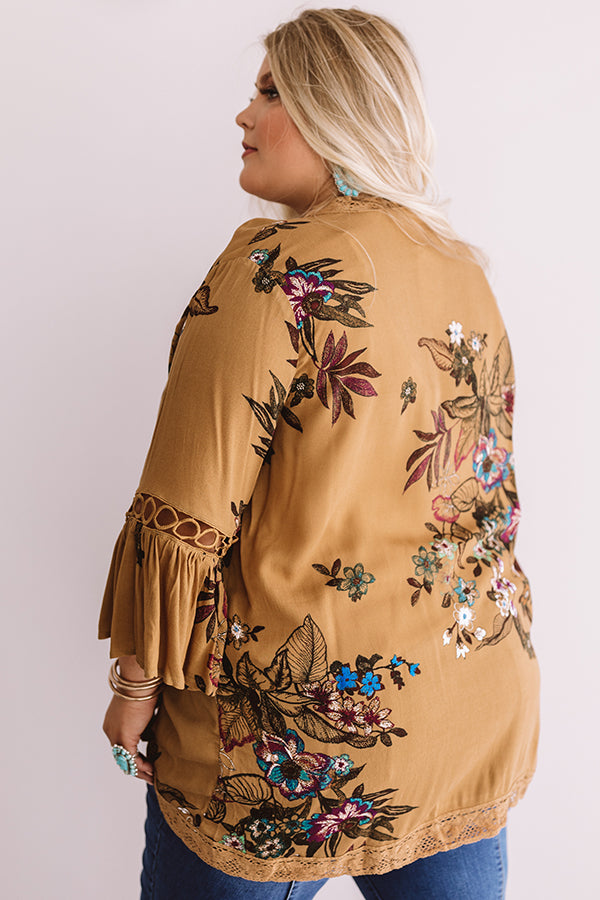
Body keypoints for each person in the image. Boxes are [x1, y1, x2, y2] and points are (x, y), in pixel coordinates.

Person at [99, 8, 539, 899]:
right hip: (467, 710)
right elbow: (482, 500)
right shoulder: (461, 268)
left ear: (333, 109)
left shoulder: (276, 270)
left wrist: (135, 685)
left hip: (288, 747)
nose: (243, 114)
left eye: (269, 92)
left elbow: (184, 513)